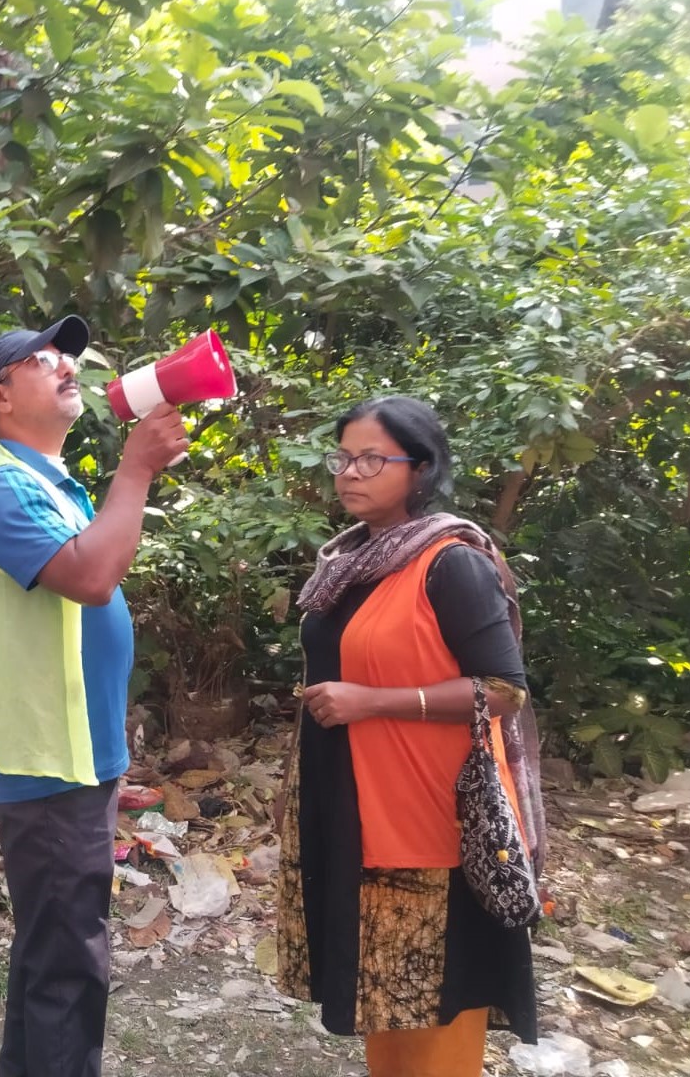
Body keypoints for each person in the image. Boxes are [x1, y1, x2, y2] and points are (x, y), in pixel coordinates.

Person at [0, 316, 188, 1077]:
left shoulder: (46, 482)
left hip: (74, 752)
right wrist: (138, 470)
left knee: (53, 946)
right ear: (0, 394)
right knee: (68, 961)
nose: (64, 366)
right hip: (46, 759)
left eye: (66, 356)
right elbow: (90, 578)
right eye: (42, 359)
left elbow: (96, 563)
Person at [276, 395, 544, 1077]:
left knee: (436, 1013)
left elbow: (504, 689)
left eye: (373, 458)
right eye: (343, 456)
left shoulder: (450, 562)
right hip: (356, 808)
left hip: (430, 822)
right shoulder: (352, 562)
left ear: (420, 470)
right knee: (386, 1002)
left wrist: (373, 701)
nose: (350, 472)